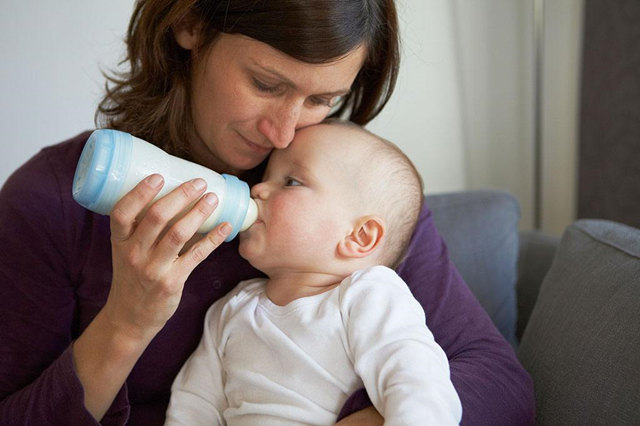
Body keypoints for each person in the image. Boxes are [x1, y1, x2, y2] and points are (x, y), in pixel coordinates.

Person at [0, 1, 534, 425]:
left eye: (321, 99)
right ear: (189, 22)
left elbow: (500, 384)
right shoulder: (49, 204)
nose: (283, 134)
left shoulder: (348, 195)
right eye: (265, 84)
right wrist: (125, 323)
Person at [165, 120, 463, 425]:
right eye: (267, 177)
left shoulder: (368, 296)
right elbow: (193, 407)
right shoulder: (231, 309)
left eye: (291, 181)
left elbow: (418, 384)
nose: (258, 189)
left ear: (359, 236)